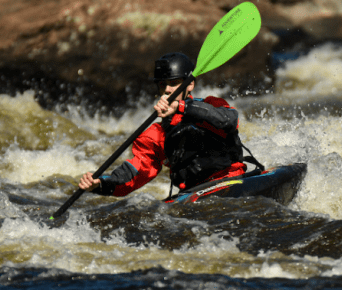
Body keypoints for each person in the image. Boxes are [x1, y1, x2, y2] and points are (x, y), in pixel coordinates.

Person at [78, 52, 248, 197]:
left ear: (190, 84)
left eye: (174, 83)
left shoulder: (212, 105)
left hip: (231, 179)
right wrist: (100, 184)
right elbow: (134, 175)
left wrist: (181, 107)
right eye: (162, 85)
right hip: (194, 194)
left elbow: (229, 120)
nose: (167, 90)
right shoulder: (156, 135)